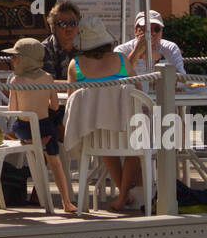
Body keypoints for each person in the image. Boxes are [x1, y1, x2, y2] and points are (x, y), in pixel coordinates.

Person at [63, 16, 146, 213]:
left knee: (105, 136)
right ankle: (124, 193)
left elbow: (71, 100)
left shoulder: (75, 65)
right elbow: (138, 91)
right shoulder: (122, 60)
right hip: (127, 129)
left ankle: (124, 193)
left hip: (96, 133)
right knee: (137, 137)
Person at [4, 37, 76, 214]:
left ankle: (28, 140)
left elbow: (13, 110)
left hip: (25, 126)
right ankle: (66, 201)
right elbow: (54, 106)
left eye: (15, 57)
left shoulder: (17, 81)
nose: (12, 61)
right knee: (55, 162)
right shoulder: (48, 78)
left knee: (16, 128)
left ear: (25, 60)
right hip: (44, 127)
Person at [40, 1, 80, 145]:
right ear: (53, 27)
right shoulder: (44, 49)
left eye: (73, 23)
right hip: (53, 109)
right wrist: (79, 83)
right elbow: (46, 83)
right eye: (63, 24)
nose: (68, 28)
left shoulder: (85, 48)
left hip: (79, 105)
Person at [114, 10, 185, 75]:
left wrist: (161, 60)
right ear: (136, 31)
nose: (153, 33)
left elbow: (182, 79)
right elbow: (119, 78)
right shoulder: (121, 50)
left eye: (157, 29)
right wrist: (136, 53)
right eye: (147, 29)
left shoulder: (170, 48)